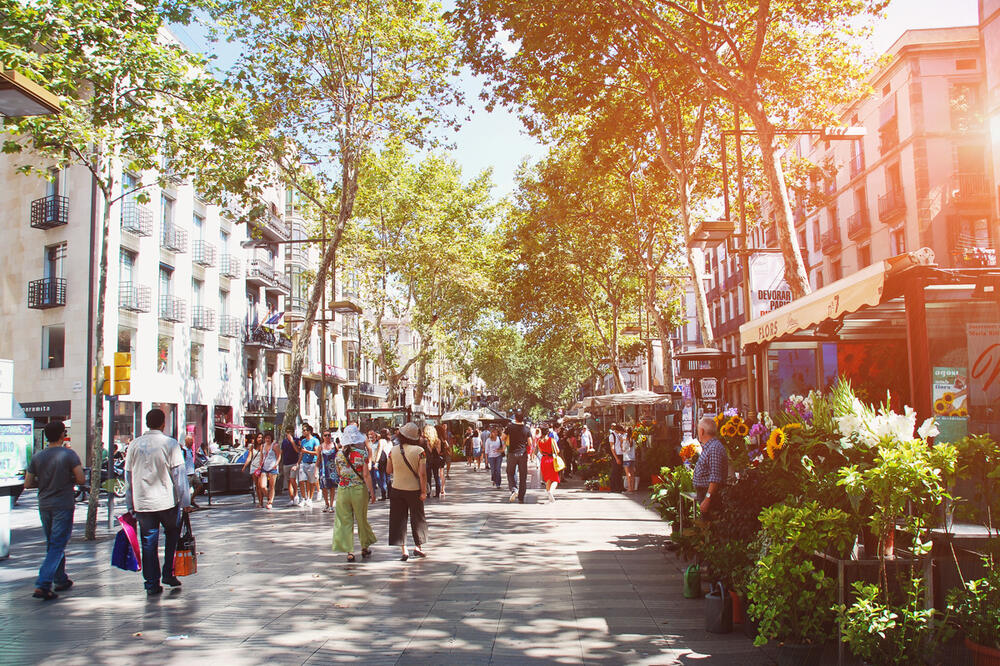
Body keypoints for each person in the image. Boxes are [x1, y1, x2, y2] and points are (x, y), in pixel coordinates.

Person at [125, 408, 191, 596]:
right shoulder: (170, 444)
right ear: (163, 423)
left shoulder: (134, 445)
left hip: (143, 502)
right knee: (172, 537)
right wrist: (185, 500)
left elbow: (128, 477)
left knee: (148, 542)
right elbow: (179, 475)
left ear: (147, 423)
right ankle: (168, 573)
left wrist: (130, 504)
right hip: (167, 501)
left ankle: (151, 582)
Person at [24, 420, 85, 601]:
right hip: (63, 504)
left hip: (44, 504)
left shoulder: (37, 457)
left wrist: (42, 482)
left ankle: (60, 578)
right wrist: (67, 479)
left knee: (53, 543)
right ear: (62, 435)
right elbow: (81, 479)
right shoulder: (69, 455)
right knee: (58, 544)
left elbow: (28, 483)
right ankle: (43, 584)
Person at [331, 425, 377, 562]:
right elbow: (366, 475)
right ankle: (364, 546)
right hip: (358, 489)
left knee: (344, 520)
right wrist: (372, 492)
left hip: (343, 490)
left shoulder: (338, 455)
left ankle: (349, 551)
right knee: (361, 518)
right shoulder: (361, 454)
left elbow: (339, 473)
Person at [387, 422, 428, 561]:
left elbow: (388, 470)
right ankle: (418, 546)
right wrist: (424, 491)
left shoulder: (393, 450)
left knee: (398, 519)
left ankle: (404, 549)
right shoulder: (420, 451)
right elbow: (422, 474)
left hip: (396, 489)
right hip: (414, 490)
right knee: (417, 518)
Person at [693, 416, 728, 517]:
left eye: (698, 430)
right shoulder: (710, 447)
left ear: (702, 431)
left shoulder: (714, 449)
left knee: (709, 525)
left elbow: (715, 478)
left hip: (710, 495)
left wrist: (707, 498)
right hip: (705, 493)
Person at [504, 409, 531, 503]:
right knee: (523, 476)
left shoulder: (509, 427)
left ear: (515, 418)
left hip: (512, 453)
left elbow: (503, 437)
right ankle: (521, 496)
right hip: (523, 454)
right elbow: (530, 443)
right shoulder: (526, 429)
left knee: (510, 472)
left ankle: (514, 489)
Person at [298, 424, 320, 507]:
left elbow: (317, 453)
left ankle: (310, 499)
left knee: (311, 482)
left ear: (309, 431)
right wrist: (298, 463)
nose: (303, 432)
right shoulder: (303, 441)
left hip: (312, 463)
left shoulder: (315, 440)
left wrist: (307, 452)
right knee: (301, 480)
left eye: (304, 430)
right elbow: (301, 452)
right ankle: (303, 498)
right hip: (304, 463)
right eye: (302, 430)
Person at [241, 434, 266, 507]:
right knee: (257, 486)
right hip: (254, 467)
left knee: (261, 485)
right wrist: (244, 466)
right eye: (258, 437)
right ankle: (260, 502)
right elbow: (249, 457)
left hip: (261, 467)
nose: (260, 439)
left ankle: (266, 499)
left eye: (261, 437)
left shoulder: (264, 446)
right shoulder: (252, 447)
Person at [537, 428, 560, 503]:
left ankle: (549, 497)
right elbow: (557, 450)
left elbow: (540, 451)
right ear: (548, 433)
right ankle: (551, 492)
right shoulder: (551, 440)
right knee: (555, 479)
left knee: (548, 480)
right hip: (551, 460)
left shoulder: (539, 441)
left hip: (544, 460)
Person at [318, 430, 339, 512]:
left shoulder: (334, 445)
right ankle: (326, 503)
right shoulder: (320, 447)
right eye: (325, 435)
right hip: (323, 469)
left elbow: (338, 456)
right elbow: (318, 459)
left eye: (328, 435)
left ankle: (331, 505)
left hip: (333, 469)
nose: (327, 437)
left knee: (332, 487)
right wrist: (316, 470)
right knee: (324, 487)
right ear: (323, 437)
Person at [258, 433, 280, 509]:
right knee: (262, 486)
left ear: (271, 438)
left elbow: (278, 456)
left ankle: (270, 501)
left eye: (269, 438)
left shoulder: (275, 446)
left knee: (271, 486)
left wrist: (276, 464)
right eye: (266, 438)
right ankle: (269, 497)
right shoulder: (262, 446)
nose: (267, 439)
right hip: (264, 467)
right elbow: (261, 456)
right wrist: (260, 464)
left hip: (272, 467)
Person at [181, 435, 202, 510]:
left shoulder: (190, 450)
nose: (192, 443)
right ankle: (186, 506)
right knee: (187, 490)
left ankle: (191, 500)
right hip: (187, 473)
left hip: (192, 472)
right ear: (186, 442)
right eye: (190, 442)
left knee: (200, 486)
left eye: (192, 442)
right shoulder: (183, 450)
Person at [280, 426, 301, 505]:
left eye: (290, 431)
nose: (289, 433)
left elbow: (297, 450)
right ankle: (291, 498)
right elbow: (282, 452)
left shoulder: (296, 440)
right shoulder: (284, 441)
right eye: (287, 432)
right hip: (286, 463)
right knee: (288, 482)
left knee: (293, 479)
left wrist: (292, 441)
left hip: (293, 463)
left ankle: (296, 495)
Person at [425, 426, 445, 498]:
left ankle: (428, 493)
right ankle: (437, 493)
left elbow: (430, 451)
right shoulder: (438, 440)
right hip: (436, 460)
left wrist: (428, 445)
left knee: (429, 477)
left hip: (429, 460)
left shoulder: (427, 441)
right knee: (436, 476)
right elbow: (438, 451)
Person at [372, 430, 390, 500]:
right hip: (388, 460)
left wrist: (376, 462)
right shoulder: (389, 441)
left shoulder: (381, 441)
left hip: (382, 460)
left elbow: (379, 452)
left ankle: (383, 494)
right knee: (388, 477)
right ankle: (389, 494)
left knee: (382, 478)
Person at [608, 424, 625, 493]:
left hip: (621, 454)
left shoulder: (619, 435)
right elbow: (612, 447)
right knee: (615, 472)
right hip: (616, 455)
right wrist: (616, 458)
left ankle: (619, 487)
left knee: (620, 471)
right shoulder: (612, 436)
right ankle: (614, 487)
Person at [622, 427, 638, 492]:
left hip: (626, 458)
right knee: (632, 473)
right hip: (632, 458)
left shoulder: (626, 440)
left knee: (628, 473)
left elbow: (624, 449)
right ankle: (632, 488)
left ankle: (629, 488)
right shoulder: (633, 439)